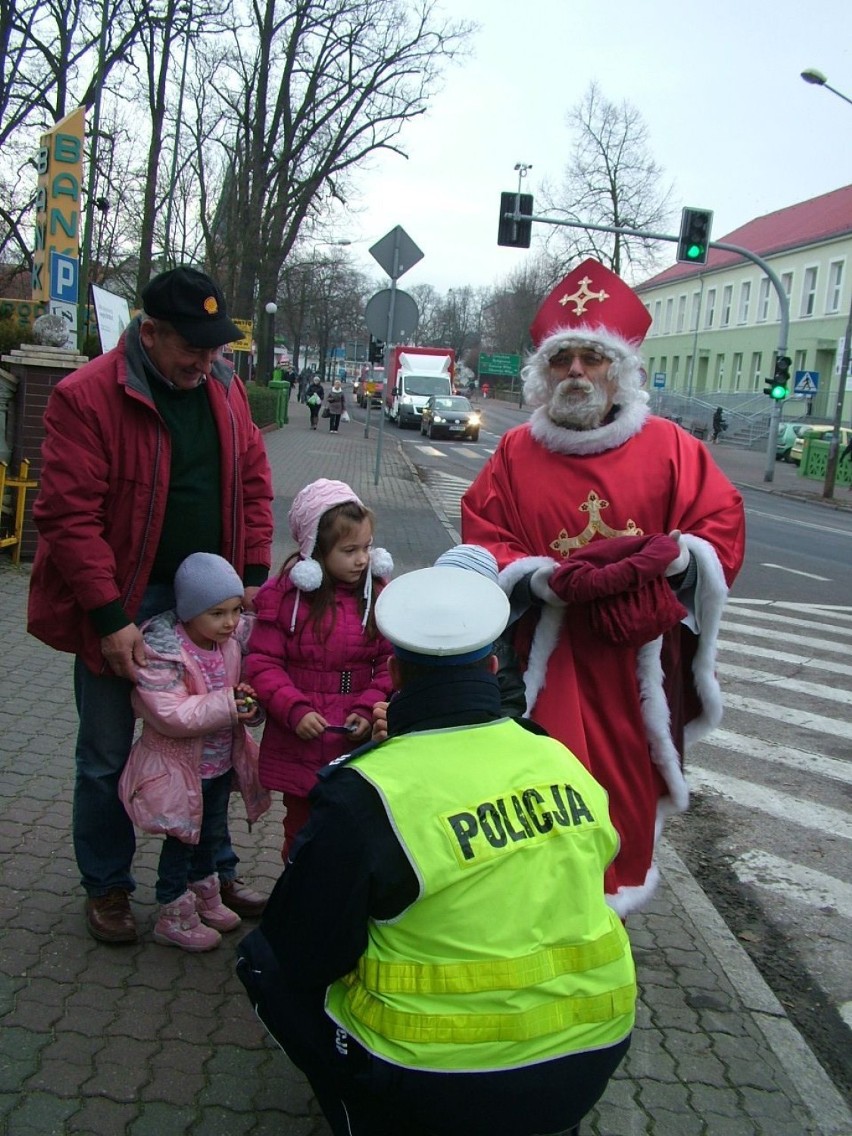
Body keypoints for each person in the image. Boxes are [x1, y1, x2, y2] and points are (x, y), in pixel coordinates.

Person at [237, 564, 635, 1136]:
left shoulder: (366, 792)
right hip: (593, 1047)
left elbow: (304, 949)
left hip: (432, 1081)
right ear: (493, 668)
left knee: (263, 963)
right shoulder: (557, 757)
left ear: (395, 673)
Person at [461, 258, 746, 917]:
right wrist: (539, 577)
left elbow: (721, 524)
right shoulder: (514, 454)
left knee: (621, 787)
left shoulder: (673, 449)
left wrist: (675, 562)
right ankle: (542, 914)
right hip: (546, 656)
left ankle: (600, 922)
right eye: (563, 360)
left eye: (593, 358)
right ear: (543, 374)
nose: (578, 373)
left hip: (633, 664)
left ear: (619, 371)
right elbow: (483, 533)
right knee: (538, 787)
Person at [27, 265, 274, 944]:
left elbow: (254, 481)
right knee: (106, 751)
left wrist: (251, 573)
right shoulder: (87, 397)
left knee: (217, 744)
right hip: (126, 599)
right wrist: (110, 619)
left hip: (211, 599)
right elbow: (68, 517)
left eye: (213, 347)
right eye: (191, 348)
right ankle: (108, 885)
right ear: (150, 331)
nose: (205, 361)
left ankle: (208, 872)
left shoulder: (224, 388)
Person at [119, 553, 270, 951]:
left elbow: (240, 695)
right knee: (181, 840)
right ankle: (172, 911)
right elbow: (171, 713)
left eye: (236, 610)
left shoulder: (229, 643)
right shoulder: (165, 651)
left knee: (212, 833)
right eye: (217, 613)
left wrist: (249, 708)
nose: (230, 621)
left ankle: (205, 894)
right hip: (180, 771)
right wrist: (228, 704)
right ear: (188, 613)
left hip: (218, 765)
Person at [244, 479, 395, 859]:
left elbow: (389, 663)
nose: (362, 560)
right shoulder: (285, 598)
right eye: (349, 550)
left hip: (355, 739)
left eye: (367, 548)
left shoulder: (376, 595)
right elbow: (263, 663)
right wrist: (293, 709)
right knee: (301, 829)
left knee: (352, 829)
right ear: (316, 551)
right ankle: (299, 905)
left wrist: (366, 708)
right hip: (301, 737)